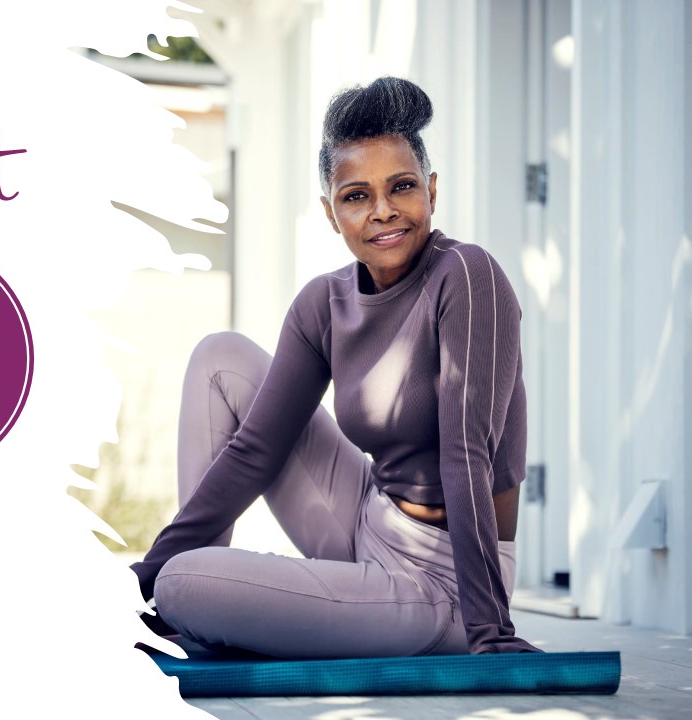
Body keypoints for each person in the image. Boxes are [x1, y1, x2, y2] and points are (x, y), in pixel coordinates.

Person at [131, 76, 540, 657]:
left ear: (431, 190)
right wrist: (144, 578)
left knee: (186, 585)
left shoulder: (467, 277)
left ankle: (190, 597)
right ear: (330, 212)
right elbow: (254, 451)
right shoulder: (325, 303)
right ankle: (173, 605)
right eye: (356, 196)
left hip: (442, 583)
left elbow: (467, 454)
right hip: (362, 521)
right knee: (220, 359)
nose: (383, 211)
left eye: (401, 187)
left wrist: (491, 630)